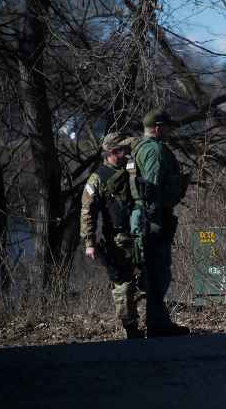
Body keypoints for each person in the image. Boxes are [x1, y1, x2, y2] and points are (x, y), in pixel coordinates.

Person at [128, 108, 191, 337]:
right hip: (153, 219)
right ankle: (157, 323)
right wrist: (155, 221)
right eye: (167, 127)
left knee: (152, 273)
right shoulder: (154, 151)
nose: (170, 131)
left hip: (143, 218)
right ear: (157, 128)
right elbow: (152, 188)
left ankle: (157, 320)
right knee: (158, 273)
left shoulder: (138, 149)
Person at [81, 132, 145, 339]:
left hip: (141, 234)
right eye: (120, 150)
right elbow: (87, 211)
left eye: (126, 149)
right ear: (110, 152)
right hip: (118, 239)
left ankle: (155, 321)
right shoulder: (97, 178)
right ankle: (131, 328)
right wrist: (89, 242)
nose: (125, 152)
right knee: (123, 284)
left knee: (149, 277)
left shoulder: (132, 169)